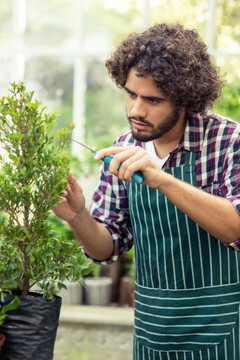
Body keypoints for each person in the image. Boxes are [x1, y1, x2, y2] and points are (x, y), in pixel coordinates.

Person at [53, 23, 240, 359]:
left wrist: (162, 178)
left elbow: (236, 227)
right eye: (131, 94)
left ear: (185, 99)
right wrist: (78, 216)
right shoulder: (122, 149)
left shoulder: (228, 141)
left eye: (152, 100)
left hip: (224, 328)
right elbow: (105, 248)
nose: (136, 110)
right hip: (153, 330)